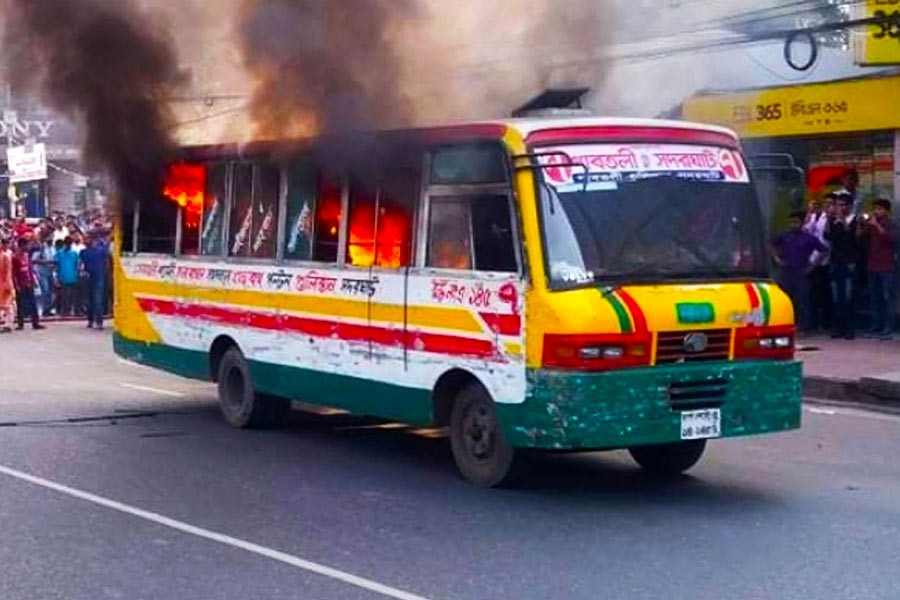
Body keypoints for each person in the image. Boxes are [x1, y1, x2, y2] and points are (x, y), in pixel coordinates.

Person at [771, 211, 828, 333]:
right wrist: (777, 258)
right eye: (791, 222)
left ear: (802, 223)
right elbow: (771, 244)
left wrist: (812, 266)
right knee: (786, 300)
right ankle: (788, 324)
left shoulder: (808, 238)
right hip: (786, 272)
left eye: (796, 222)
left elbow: (823, 250)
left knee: (803, 300)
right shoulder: (784, 235)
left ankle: (805, 327)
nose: (793, 225)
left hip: (802, 273)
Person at [859, 198, 896, 340]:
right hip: (873, 265)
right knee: (875, 297)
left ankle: (889, 327)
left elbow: (892, 238)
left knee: (888, 297)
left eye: (880, 209)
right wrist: (863, 225)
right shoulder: (872, 224)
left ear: (887, 211)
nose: (876, 212)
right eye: (875, 209)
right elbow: (861, 238)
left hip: (887, 266)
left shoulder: (891, 224)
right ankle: (876, 325)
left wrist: (877, 226)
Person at [824, 193, 859, 339]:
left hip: (849, 262)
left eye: (843, 205)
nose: (840, 208)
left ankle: (849, 329)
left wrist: (843, 220)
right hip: (835, 261)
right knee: (836, 296)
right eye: (838, 205)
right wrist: (829, 219)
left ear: (849, 206)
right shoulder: (834, 221)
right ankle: (838, 328)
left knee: (848, 295)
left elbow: (852, 237)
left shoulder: (854, 220)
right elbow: (828, 236)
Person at [804, 196, 832, 332]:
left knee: (825, 292)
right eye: (824, 204)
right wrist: (809, 213)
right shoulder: (814, 216)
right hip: (812, 257)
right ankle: (813, 322)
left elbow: (827, 235)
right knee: (813, 292)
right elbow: (805, 230)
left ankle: (826, 322)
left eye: (829, 204)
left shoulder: (829, 218)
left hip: (825, 258)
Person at [11, 237, 44, 331]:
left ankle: (35, 322)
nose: (28, 246)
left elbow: (30, 269)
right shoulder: (15, 257)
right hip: (21, 283)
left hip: (29, 282)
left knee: (32, 303)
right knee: (20, 304)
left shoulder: (26, 255)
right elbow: (14, 273)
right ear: (21, 245)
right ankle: (20, 323)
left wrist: (33, 281)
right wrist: (16, 285)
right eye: (26, 245)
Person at [80, 234, 110, 329]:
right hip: (88, 278)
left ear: (92, 240)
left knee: (98, 301)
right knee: (89, 301)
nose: (85, 241)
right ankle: (90, 320)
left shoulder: (101, 251)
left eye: (87, 239)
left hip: (98, 278)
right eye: (84, 240)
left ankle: (99, 322)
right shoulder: (83, 252)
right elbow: (81, 265)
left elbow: (107, 261)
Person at [55, 237, 80, 317]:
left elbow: (77, 265)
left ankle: (69, 311)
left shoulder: (73, 253)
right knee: (66, 295)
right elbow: (57, 266)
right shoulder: (61, 254)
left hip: (70, 276)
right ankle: (66, 311)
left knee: (70, 295)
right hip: (66, 276)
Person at [0, 237, 14, 333]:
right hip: (3, 283)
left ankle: (8, 324)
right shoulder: (4, 255)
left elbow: (7, 272)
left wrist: (8, 283)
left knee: (7, 305)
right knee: (5, 305)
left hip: (5, 283)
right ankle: (7, 324)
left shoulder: (6, 256)